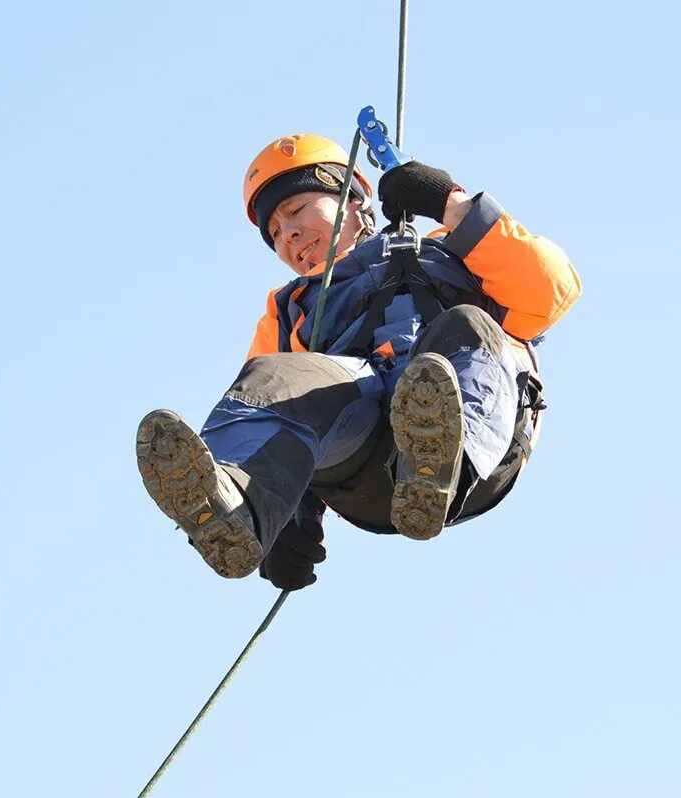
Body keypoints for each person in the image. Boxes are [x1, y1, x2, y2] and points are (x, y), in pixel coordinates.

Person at [136, 133, 581, 590]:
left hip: (478, 441)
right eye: (274, 234)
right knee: (271, 375)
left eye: (296, 211)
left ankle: (439, 462)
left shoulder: (452, 249)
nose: (286, 234)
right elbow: (278, 406)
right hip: (368, 460)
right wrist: (287, 525)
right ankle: (237, 504)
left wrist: (448, 204)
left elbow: (548, 289)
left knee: (465, 326)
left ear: (353, 199)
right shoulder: (291, 309)